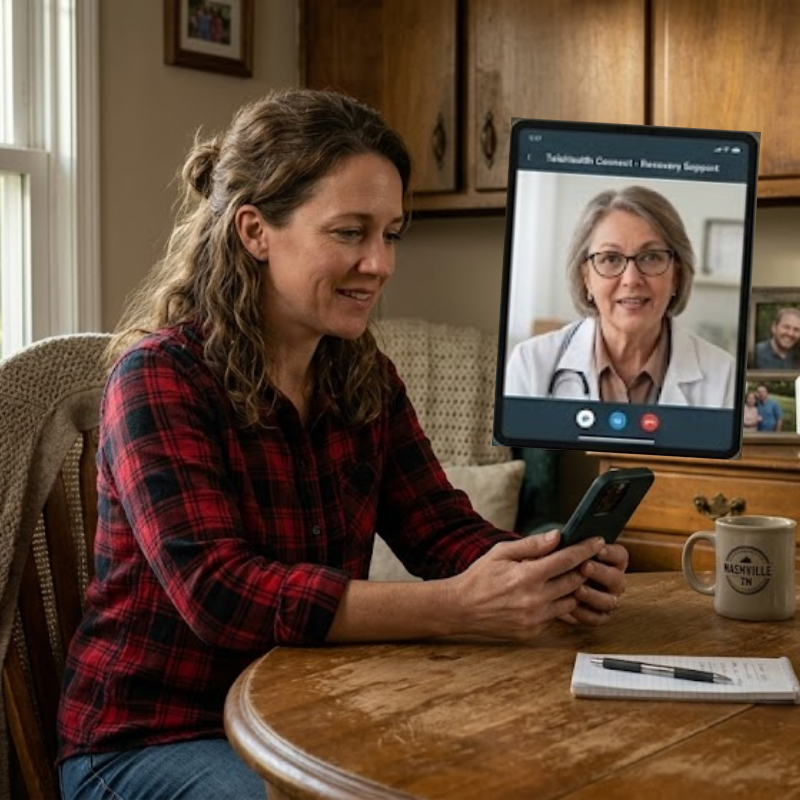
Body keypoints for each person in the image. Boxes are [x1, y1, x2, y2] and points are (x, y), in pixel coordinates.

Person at [56, 89, 628, 800]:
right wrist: (458, 606)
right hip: (152, 738)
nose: (380, 264)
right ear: (255, 231)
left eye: (391, 234)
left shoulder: (363, 377)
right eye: (351, 233)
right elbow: (218, 593)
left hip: (309, 716)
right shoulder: (161, 380)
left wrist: (544, 569)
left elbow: (437, 528)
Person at [505, 186, 736, 407]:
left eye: (651, 257)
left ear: (676, 274)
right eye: (610, 259)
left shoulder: (724, 375)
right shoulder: (530, 364)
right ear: (586, 277)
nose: (631, 279)